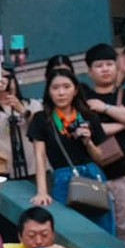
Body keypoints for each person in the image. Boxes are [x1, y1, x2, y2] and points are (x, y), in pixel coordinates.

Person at [81, 44, 125, 246]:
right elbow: (88, 130)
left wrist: (105, 108)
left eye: (109, 64)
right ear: (89, 71)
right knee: (103, 235)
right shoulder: (84, 100)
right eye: (99, 65)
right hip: (96, 177)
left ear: (117, 67)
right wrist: (124, 122)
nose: (105, 69)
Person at [29, 67, 110, 226]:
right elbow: (39, 156)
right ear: (49, 91)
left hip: (93, 177)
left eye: (66, 87)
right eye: (55, 88)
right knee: (70, 227)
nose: (61, 93)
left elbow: (102, 157)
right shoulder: (41, 118)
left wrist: (88, 143)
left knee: (101, 228)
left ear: (75, 90)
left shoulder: (89, 116)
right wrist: (42, 191)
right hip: (63, 178)